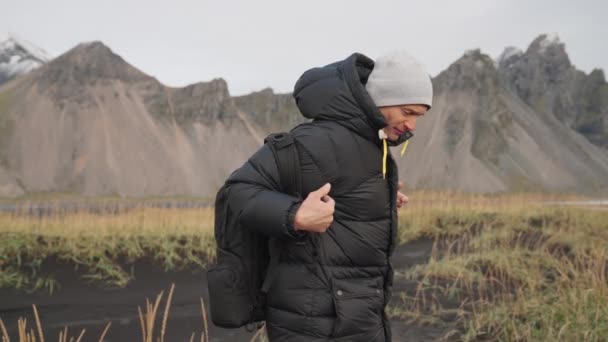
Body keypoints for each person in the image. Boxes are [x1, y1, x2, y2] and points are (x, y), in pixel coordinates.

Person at [225, 50, 433, 341]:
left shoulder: (374, 145)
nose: (412, 125)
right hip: (312, 324)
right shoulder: (313, 142)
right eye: (407, 112)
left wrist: (378, 198)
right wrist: (294, 215)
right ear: (381, 100)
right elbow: (238, 191)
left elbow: (342, 197)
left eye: (418, 117)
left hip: (359, 316)